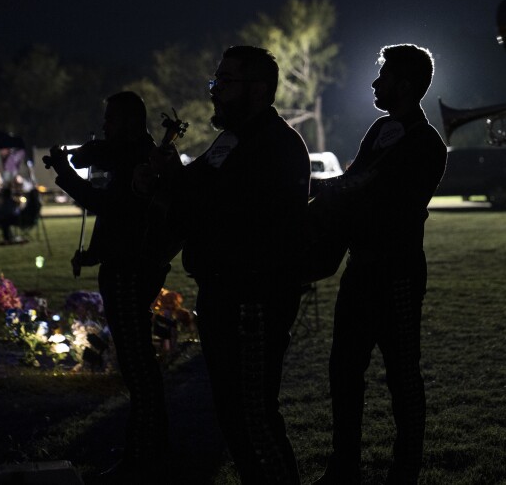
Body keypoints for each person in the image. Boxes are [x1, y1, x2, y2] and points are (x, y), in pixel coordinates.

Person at [148, 45, 310, 485]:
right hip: (222, 292)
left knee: (252, 413)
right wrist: (163, 178)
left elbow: (226, 214)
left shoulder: (275, 144)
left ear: (257, 89)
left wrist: (176, 188)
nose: (215, 92)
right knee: (232, 412)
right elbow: (192, 197)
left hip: (254, 296)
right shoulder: (231, 140)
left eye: (225, 82)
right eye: (214, 82)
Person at [313, 44, 447, 485]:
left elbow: (371, 190)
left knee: (402, 374)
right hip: (363, 268)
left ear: (404, 86)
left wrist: (322, 188)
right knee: (343, 370)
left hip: (398, 272)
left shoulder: (426, 143)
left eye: (384, 77)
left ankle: (405, 469)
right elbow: (358, 181)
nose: (375, 83)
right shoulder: (380, 129)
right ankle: (344, 464)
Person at [43, 91, 175, 483]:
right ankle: (154, 445)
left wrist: (66, 174)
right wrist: (94, 253)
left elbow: (107, 205)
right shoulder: (130, 154)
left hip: (130, 273)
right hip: (127, 266)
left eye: (111, 121)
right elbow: (120, 219)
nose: (104, 128)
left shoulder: (141, 159)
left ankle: (143, 453)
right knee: (139, 366)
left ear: (132, 123)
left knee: (137, 367)